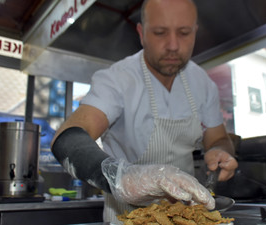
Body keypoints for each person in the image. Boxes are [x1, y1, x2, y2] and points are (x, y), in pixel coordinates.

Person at [51, 0, 238, 223]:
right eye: (160, 33)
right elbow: (68, 137)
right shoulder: (117, 79)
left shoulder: (203, 84)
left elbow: (218, 138)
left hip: (187, 218)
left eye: (184, 33)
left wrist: (219, 151)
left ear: (195, 32)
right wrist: (122, 178)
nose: (173, 45)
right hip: (126, 217)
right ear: (141, 33)